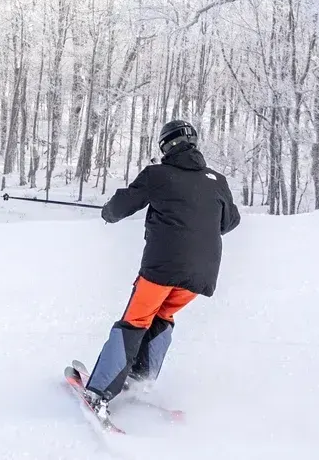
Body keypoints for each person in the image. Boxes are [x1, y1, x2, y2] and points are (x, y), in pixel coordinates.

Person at [83, 118, 240, 420]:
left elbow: (119, 208)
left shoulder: (158, 174)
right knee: (162, 316)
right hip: (201, 276)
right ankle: (139, 382)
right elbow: (230, 222)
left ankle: (98, 393)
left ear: (166, 146)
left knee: (135, 321)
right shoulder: (217, 180)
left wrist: (107, 212)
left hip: (161, 268)